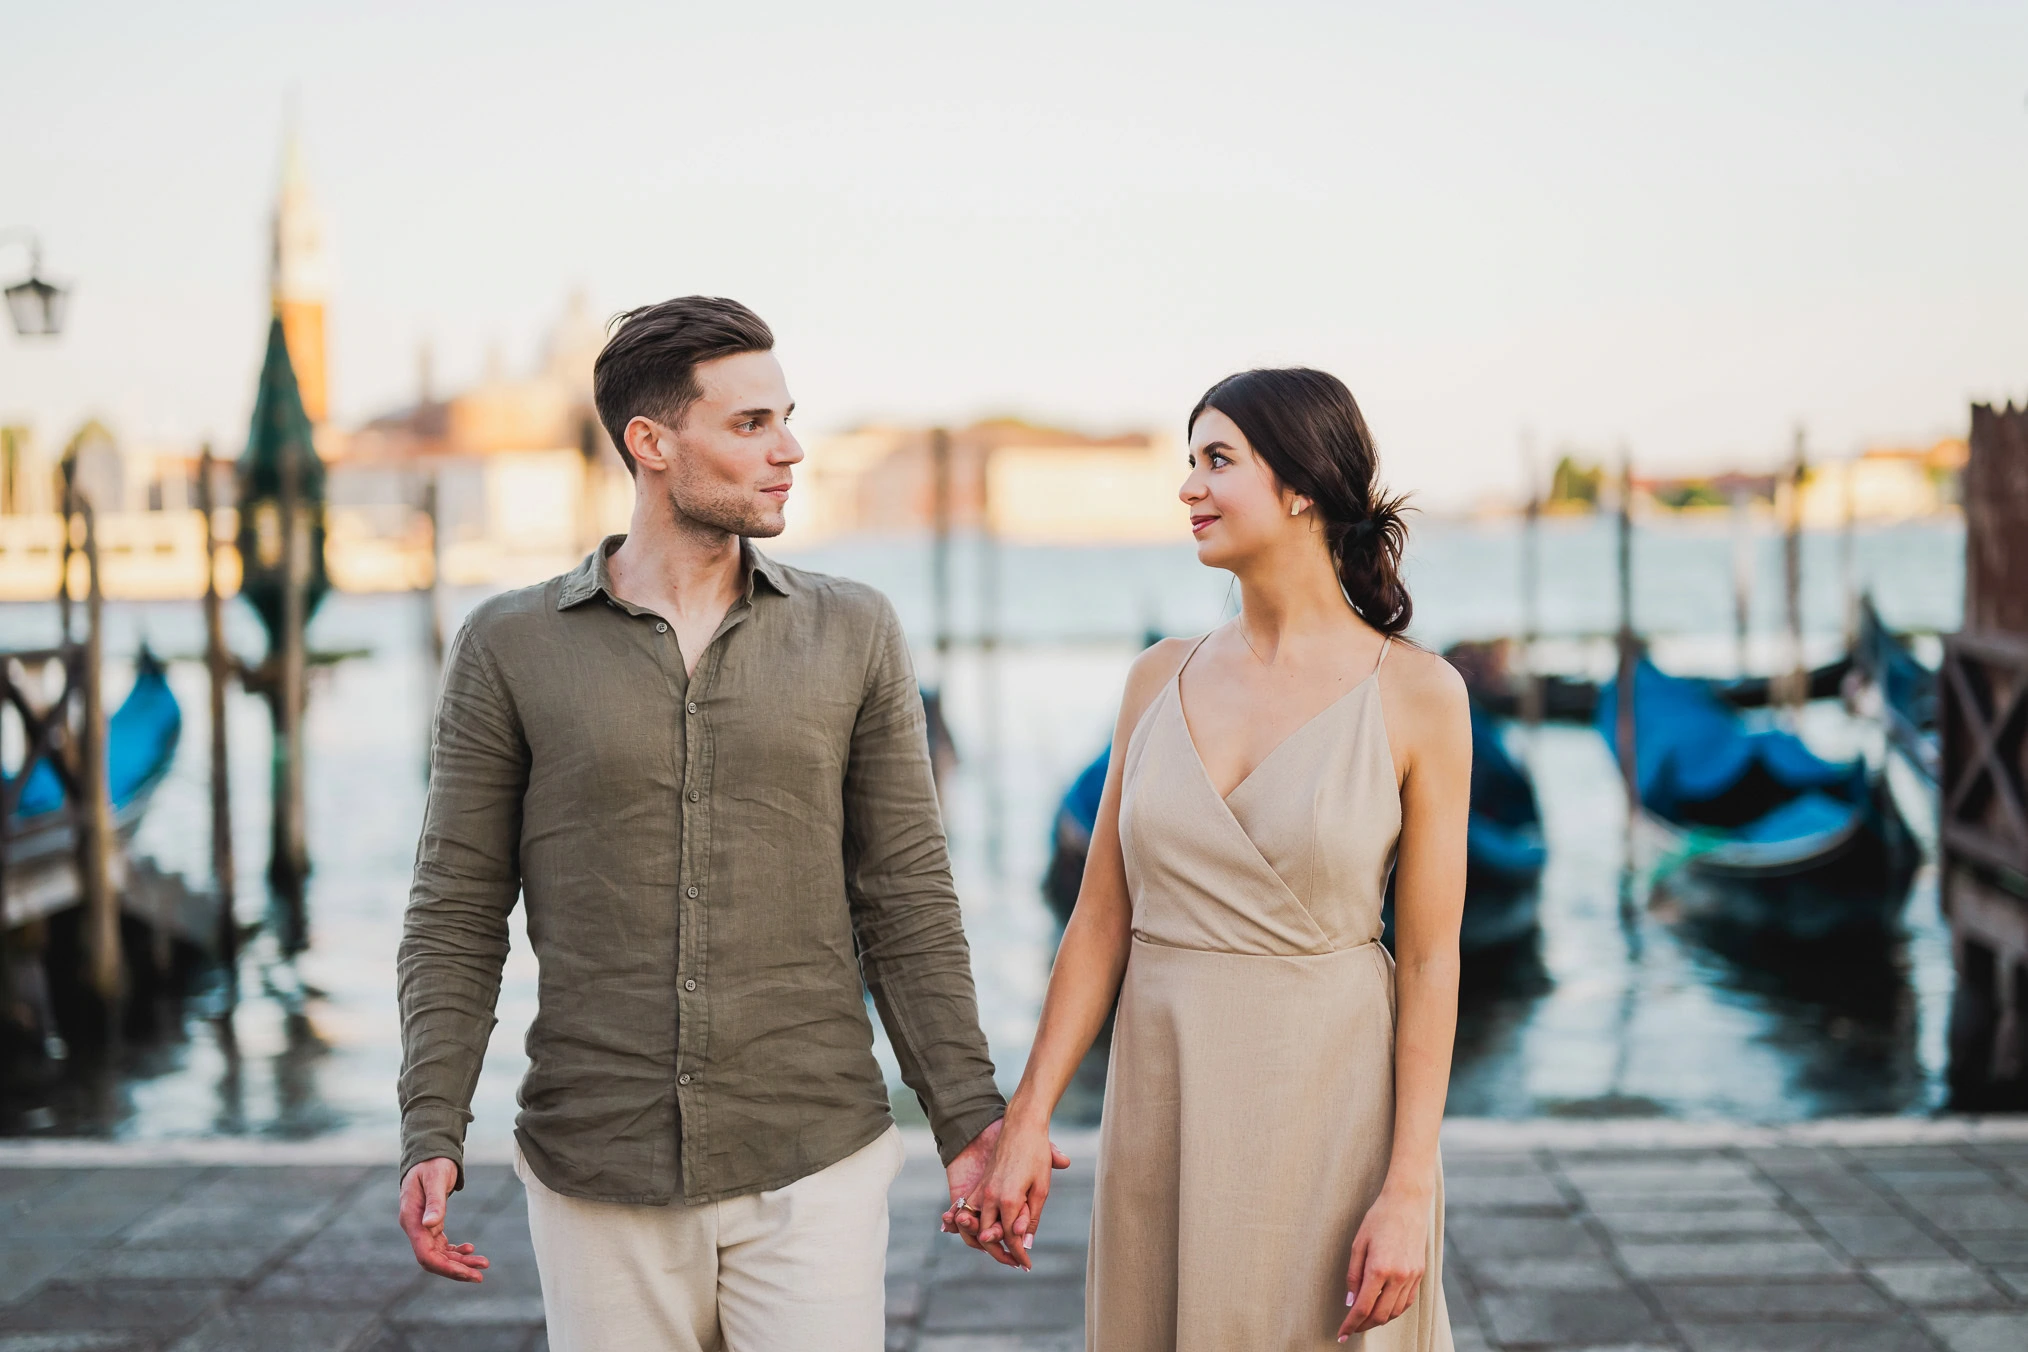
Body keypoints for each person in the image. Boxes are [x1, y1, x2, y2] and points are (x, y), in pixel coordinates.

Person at [394, 296, 1051, 1351]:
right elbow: (457, 910)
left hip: (815, 1157)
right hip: (596, 1164)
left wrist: (969, 1117)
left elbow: (906, 898)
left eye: (786, 418)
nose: (789, 450)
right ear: (650, 443)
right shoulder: (507, 645)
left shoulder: (856, 630)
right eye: (750, 424)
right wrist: (433, 1121)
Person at [952, 368, 1467, 1350]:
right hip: (1165, 1105)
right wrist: (1028, 1118)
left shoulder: (1420, 694)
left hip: (1330, 1111)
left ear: (1302, 486)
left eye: (1217, 459)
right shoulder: (1156, 677)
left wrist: (1410, 1187)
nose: (1189, 485)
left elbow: (1433, 961)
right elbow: (1098, 921)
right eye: (1190, 460)